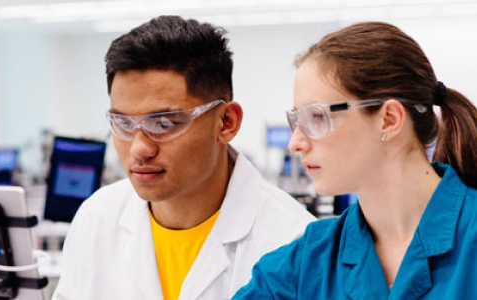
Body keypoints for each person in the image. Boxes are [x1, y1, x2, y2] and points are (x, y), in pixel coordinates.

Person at [52, 15, 315, 300]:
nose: (140, 149)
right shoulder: (97, 219)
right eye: (124, 124)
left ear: (226, 122)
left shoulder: (294, 243)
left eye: (164, 124)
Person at [231, 21, 477, 299]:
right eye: (296, 120)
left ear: (389, 119)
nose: (295, 143)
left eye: (318, 117)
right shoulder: (305, 265)